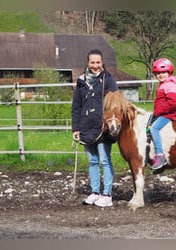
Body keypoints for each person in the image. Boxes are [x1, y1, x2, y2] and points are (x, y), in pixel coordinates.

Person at [72, 49, 118, 207]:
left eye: (98, 62)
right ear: (87, 63)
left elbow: (115, 102)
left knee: (105, 160)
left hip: (102, 127)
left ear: (102, 62)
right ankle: (95, 192)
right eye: (92, 62)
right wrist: (75, 128)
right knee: (92, 161)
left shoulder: (108, 80)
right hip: (86, 126)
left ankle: (107, 194)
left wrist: (110, 123)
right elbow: (76, 106)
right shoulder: (81, 81)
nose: (95, 65)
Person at [150, 58, 176, 170]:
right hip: (163, 113)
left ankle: (160, 156)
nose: (161, 75)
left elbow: (172, 103)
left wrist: (157, 112)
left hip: (168, 114)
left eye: (163, 72)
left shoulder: (170, 85)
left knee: (154, 128)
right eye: (158, 73)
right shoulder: (164, 84)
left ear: (169, 72)